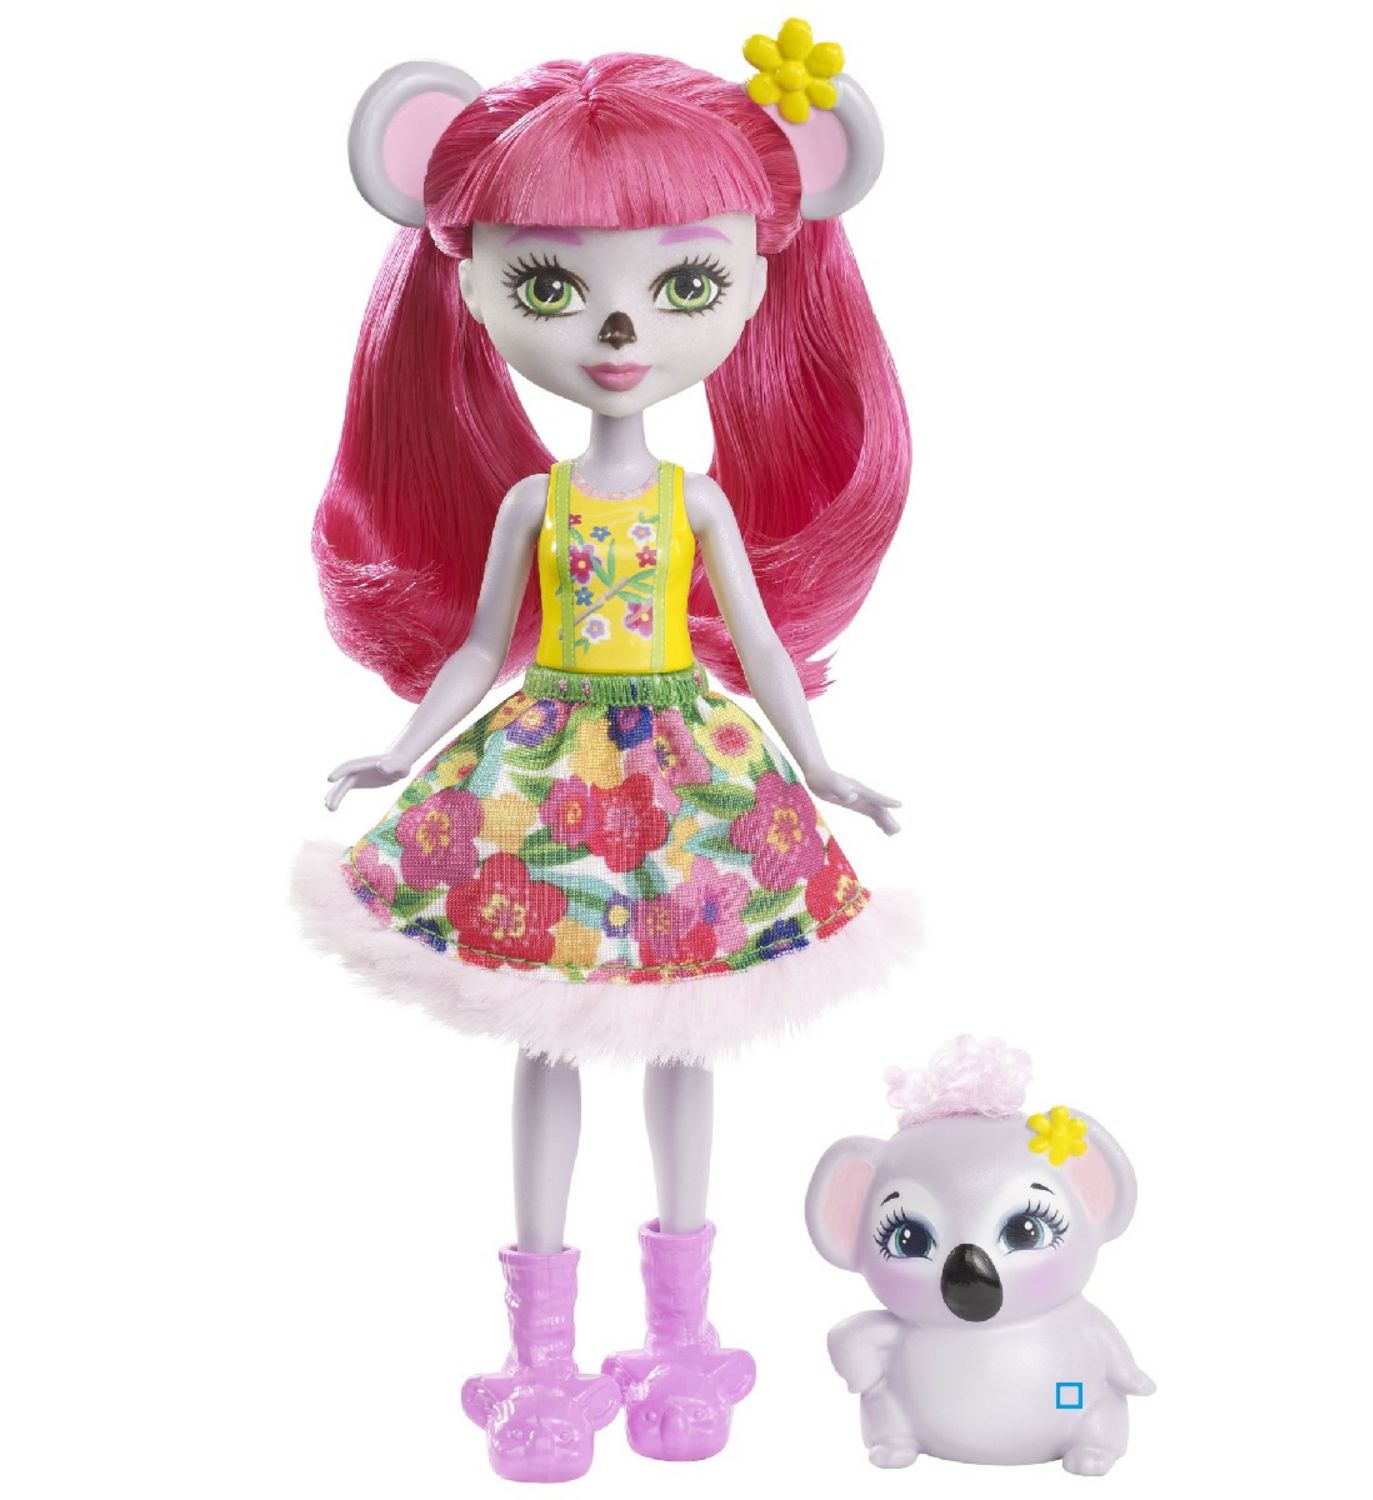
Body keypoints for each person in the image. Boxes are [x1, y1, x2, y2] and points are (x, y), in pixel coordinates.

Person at [293, 30, 914, 1480]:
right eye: (552, 285)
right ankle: (542, 1352)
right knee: (548, 1031)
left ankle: (682, 1338)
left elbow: (758, 647)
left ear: (756, 280)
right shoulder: (534, 501)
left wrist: (824, 767)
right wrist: (402, 749)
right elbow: (481, 648)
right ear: (471, 282)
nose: (620, 328)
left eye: (684, 284)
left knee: (688, 1034)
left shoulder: (696, 505)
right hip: (545, 771)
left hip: (688, 768)